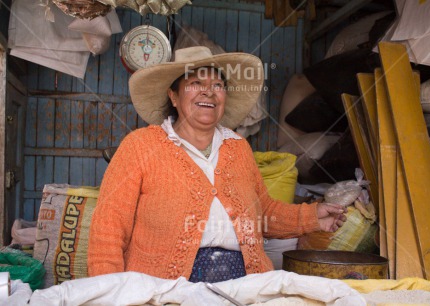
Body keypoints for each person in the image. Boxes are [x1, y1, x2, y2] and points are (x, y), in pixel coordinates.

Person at [87, 46, 347, 283]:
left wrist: (313, 216)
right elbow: (108, 227)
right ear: (174, 96)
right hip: (163, 289)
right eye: (196, 82)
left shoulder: (238, 148)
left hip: (244, 284)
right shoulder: (141, 146)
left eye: (218, 84)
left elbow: (263, 212)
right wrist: (110, 291)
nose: (208, 91)